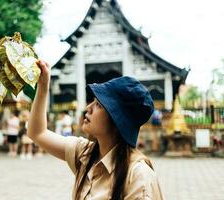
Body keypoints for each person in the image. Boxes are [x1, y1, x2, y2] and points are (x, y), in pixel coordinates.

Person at [28, 60, 164, 200]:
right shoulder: (85, 153)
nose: (88, 108)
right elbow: (37, 133)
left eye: (99, 104)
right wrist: (43, 85)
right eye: (92, 101)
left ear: (117, 119)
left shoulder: (137, 176)